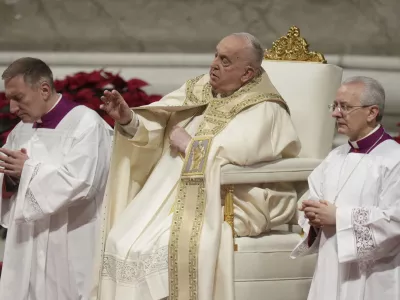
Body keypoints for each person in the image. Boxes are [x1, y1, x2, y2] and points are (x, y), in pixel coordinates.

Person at [91, 33, 301, 300]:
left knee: (164, 246)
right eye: (215, 54)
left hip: (226, 198)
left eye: (225, 61)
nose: (214, 64)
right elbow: (159, 119)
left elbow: (240, 154)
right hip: (166, 193)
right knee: (119, 240)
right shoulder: (200, 88)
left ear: (247, 73)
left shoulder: (265, 109)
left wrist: (191, 145)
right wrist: (128, 119)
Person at [0, 57, 113, 300]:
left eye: (18, 98)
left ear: (44, 89)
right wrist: (10, 179)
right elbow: (8, 177)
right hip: (27, 241)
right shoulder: (21, 130)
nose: (12, 108)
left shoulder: (85, 124)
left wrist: (28, 171)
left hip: (70, 236)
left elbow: (84, 183)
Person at [291, 76, 400, 300]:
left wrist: (338, 217)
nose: (335, 113)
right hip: (329, 268)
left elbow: (395, 221)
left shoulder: (394, 159)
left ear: (371, 112)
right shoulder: (335, 157)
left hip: (373, 276)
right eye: (335, 105)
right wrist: (311, 215)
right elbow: (312, 197)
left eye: (345, 107)